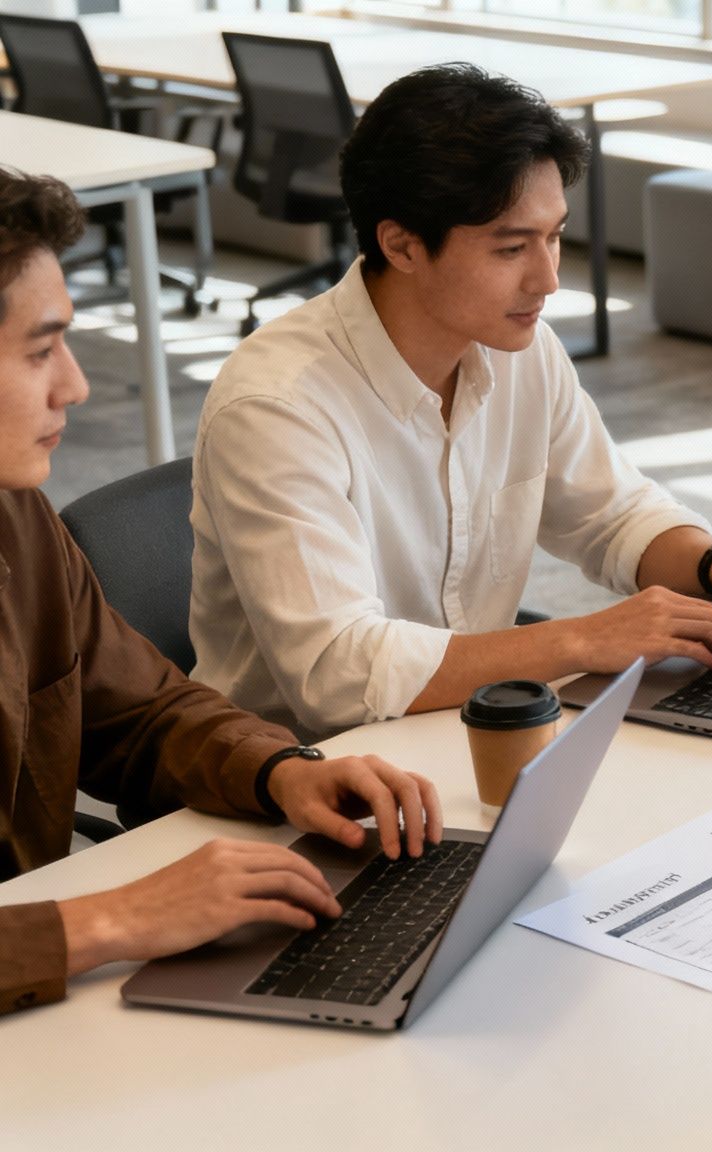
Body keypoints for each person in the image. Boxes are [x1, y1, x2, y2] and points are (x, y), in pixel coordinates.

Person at [189, 64, 712, 736]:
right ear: (401, 245)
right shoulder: (277, 406)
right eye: (512, 248)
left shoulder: (519, 348)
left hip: (475, 724)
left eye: (553, 236)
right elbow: (337, 673)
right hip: (306, 765)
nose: (548, 279)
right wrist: (579, 640)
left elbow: (611, 514)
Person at [0, 169, 441, 1016]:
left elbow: (141, 711)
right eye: (39, 351)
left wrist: (279, 771)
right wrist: (110, 918)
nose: (76, 386)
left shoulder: (16, 515)